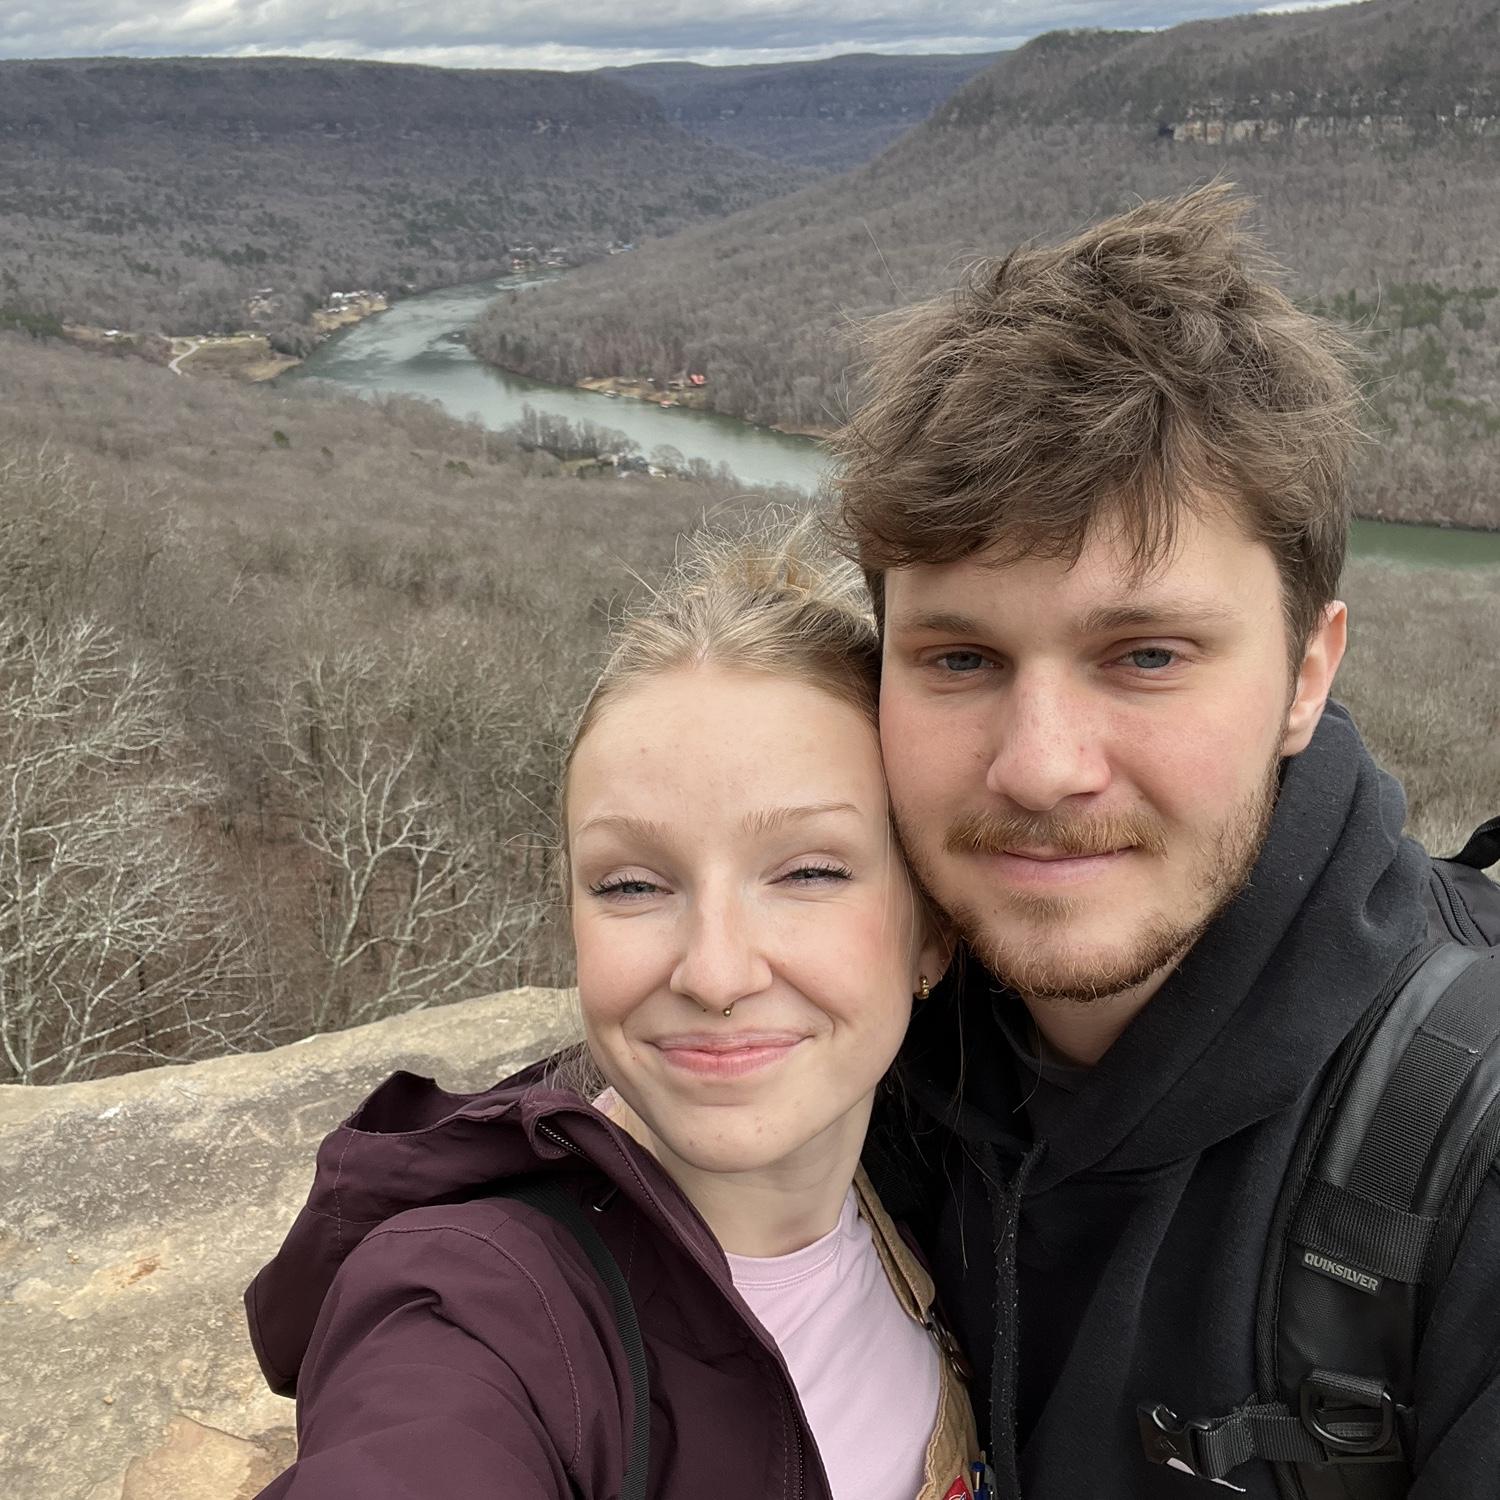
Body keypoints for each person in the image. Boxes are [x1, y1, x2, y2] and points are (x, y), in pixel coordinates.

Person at [833, 182, 1500, 1498]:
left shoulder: (1469, 1152)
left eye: (1146, 654)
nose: (1041, 765)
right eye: (960, 657)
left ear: (1309, 674)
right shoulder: (867, 1017)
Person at [244, 526, 979, 1500]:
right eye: (633, 886)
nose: (715, 972)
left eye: (807, 872)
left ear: (931, 931)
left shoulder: (957, 1169)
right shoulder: (477, 1307)